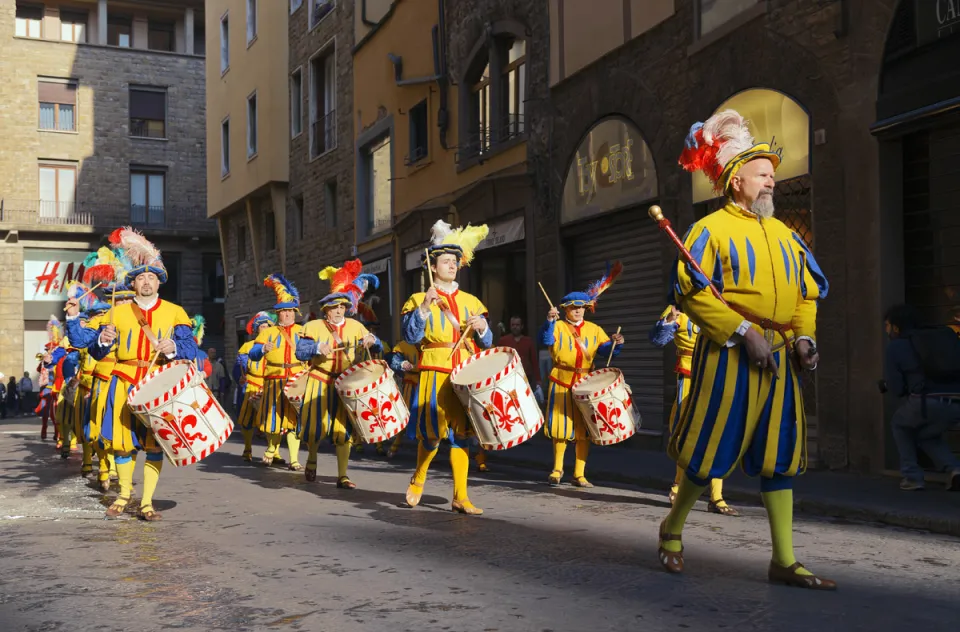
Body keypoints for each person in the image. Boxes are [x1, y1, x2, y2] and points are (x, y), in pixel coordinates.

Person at [658, 109, 832, 589]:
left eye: (774, 176)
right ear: (736, 180)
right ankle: (672, 528)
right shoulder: (710, 230)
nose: (772, 182)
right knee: (708, 448)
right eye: (763, 174)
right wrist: (742, 332)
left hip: (780, 360)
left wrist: (803, 338)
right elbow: (690, 293)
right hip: (730, 355)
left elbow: (805, 296)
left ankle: (784, 560)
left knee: (779, 455)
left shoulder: (787, 235)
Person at [67, 227, 197, 521]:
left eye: (151, 277)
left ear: (159, 283)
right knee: (122, 444)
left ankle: (147, 502)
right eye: (141, 277)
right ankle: (125, 494)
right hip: (122, 382)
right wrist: (86, 325)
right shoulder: (116, 312)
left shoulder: (176, 311)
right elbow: (87, 347)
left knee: (153, 445)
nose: (146, 281)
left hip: (157, 386)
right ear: (134, 282)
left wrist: (174, 346)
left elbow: (191, 347)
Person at [400, 220, 493, 515]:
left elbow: (488, 342)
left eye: (455, 262)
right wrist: (425, 308)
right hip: (433, 371)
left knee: (462, 435)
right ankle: (419, 476)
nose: (452, 266)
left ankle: (460, 496)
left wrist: (482, 327)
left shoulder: (471, 301)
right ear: (434, 265)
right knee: (431, 434)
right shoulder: (417, 299)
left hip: (464, 374)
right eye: (446, 261)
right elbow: (410, 337)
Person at [295, 260, 380, 486]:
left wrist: (373, 340)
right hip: (319, 380)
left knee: (344, 431)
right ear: (326, 310)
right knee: (314, 427)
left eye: (342, 306)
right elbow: (300, 351)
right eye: (333, 307)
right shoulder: (313, 327)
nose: (338, 310)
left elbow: (377, 345)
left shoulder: (356, 326)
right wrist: (315, 348)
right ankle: (312, 459)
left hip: (346, 383)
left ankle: (342, 475)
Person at [540, 263, 624, 487]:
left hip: (585, 383)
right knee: (560, 428)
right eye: (573, 308)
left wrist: (616, 344)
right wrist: (549, 322)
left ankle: (579, 473)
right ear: (566, 309)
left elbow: (606, 352)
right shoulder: (556, 326)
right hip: (561, 380)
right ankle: (557, 469)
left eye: (582, 308)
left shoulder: (594, 330)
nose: (578, 311)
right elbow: (546, 341)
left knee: (584, 430)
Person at [649, 304, 738, 516]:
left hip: (717, 377)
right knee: (685, 433)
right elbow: (658, 340)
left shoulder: (724, 304)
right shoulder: (678, 308)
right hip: (689, 377)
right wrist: (669, 321)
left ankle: (716, 497)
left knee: (717, 435)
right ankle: (678, 487)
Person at [881, 304, 960, 491]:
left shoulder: (896, 346)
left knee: (900, 425)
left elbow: (897, 388)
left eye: (887, 325)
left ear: (896, 327)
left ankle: (912, 476)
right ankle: (956, 470)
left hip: (926, 402)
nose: (886, 329)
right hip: (956, 401)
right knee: (926, 436)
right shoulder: (941, 339)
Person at [249, 275, 306, 469]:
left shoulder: (303, 331)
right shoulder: (267, 333)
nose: (288, 315)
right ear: (278, 314)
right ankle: (271, 448)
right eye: (284, 312)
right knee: (273, 418)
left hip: (297, 381)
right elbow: (253, 354)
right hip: (274, 380)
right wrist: (263, 349)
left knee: (294, 420)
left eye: (290, 311)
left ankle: (295, 459)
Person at [235, 311, 275, 462]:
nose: (264, 329)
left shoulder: (276, 343)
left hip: (269, 384)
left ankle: (274, 451)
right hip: (251, 385)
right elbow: (239, 366)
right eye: (262, 326)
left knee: (272, 419)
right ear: (257, 329)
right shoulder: (247, 346)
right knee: (247, 419)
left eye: (267, 326)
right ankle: (247, 448)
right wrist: (240, 376)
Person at [353, 297, 390, 456]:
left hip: (378, 383)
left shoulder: (384, 345)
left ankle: (379, 444)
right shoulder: (357, 347)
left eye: (374, 329)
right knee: (359, 413)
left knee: (379, 414)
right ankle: (358, 441)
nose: (372, 332)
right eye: (369, 329)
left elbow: (388, 363)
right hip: (360, 383)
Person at [384, 340, 421, 459]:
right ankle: (397, 443)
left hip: (431, 383)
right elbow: (394, 361)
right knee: (406, 414)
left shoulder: (435, 343)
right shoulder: (404, 345)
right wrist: (402, 364)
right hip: (411, 385)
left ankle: (426, 450)